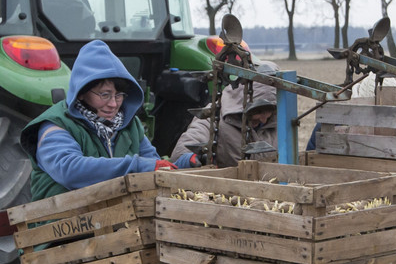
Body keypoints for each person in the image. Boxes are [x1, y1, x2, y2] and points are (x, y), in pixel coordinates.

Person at [20, 40, 187, 200]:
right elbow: (70, 170)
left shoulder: (130, 125)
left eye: (119, 95)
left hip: (116, 219)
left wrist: (184, 164)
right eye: (105, 95)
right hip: (62, 224)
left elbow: (153, 163)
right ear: (81, 92)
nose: (113, 104)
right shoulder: (55, 125)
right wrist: (137, 167)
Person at [171, 66, 279, 168]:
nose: (264, 120)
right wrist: (192, 159)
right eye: (259, 111)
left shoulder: (279, 123)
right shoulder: (213, 118)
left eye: (269, 111)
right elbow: (185, 148)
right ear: (242, 102)